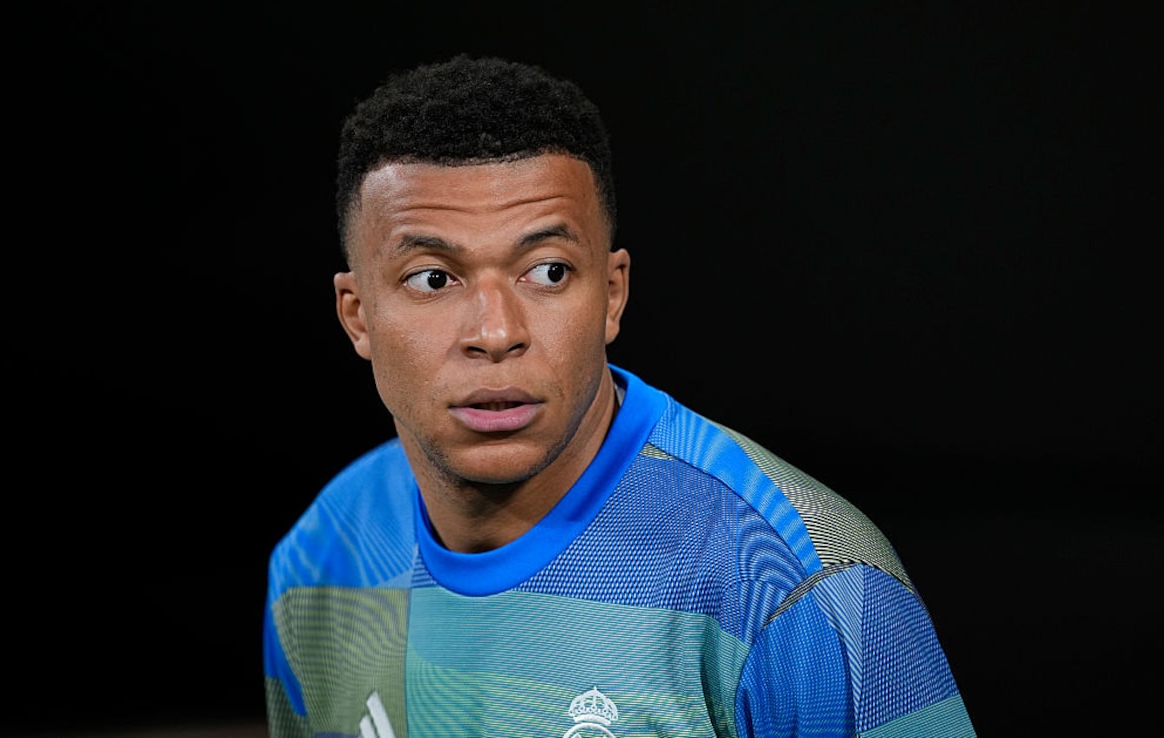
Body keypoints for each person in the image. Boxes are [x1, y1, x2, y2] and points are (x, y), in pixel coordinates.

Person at [263, 54, 977, 738]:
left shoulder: (796, 582)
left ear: (611, 295)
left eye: (547, 271)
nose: (496, 333)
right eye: (433, 279)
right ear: (358, 316)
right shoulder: (321, 562)